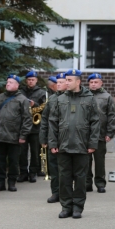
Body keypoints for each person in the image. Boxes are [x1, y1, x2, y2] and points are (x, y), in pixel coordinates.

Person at [48, 69, 100, 219]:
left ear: (78, 82)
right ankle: (66, 207)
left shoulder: (89, 99)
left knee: (80, 178)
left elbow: (95, 122)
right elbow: (53, 122)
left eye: (69, 80)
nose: (66, 83)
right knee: (64, 178)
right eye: (65, 80)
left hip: (82, 145)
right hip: (63, 145)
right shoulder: (60, 99)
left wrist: (92, 143)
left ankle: (78, 207)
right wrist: (52, 142)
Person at [0, 75, 32, 193]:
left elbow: (27, 119)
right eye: (7, 82)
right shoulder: (0, 97)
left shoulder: (22, 99)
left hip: (14, 136)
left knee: (14, 161)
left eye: (11, 82)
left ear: (17, 85)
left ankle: (11, 182)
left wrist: (23, 135)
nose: (8, 84)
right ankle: (0, 182)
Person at [87, 73, 115, 193]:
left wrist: (110, 132)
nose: (93, 84)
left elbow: (112, 116)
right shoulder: (84, 95)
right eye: (91, 82)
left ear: (101, 83)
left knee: (99, 161)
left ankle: (100, 183)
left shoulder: (107, 97)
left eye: (96, 82)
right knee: (85, 162)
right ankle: (86, 183)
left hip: (100, 134)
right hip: (86, 135)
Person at [40, 72, 66, 203]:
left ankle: (68, 193)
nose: (59, 85)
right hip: (53, 139)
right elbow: (45, 120)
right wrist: (43, 139)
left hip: (69, 140)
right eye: (58, 83)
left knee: (68, 170)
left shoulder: (75, 98)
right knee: (54, 169)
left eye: (61, 82)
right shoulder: (52, 99)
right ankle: (55, 192)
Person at [18, 71, 47, 182]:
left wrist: (34, 105)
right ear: (26, 81)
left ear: (36, 80)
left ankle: (33, 172)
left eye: (32, 79)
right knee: (22, 152)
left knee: (35, 152)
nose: (30, 81)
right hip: (23, 126)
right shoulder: (21, 92)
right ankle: (23, 173)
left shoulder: (41, 92)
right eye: (29, 80)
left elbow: (45, 108)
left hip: (36, 126)